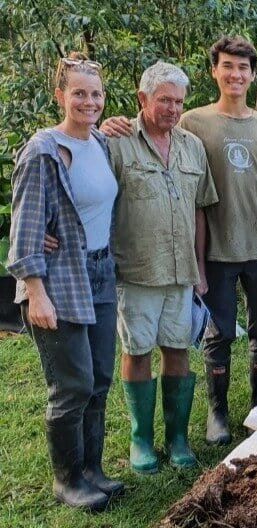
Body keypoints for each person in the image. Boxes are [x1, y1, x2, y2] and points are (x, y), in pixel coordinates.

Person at [102, 36, 257, 445]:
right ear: (214, 71)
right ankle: (216, 412)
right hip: (216, 249)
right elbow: (155, 136)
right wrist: (114, 123)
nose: (236, 74)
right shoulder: (192, 121)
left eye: (243, 68)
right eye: (228, 66)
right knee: (217, 332)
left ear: (253, 75)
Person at [6, 53, 121, 510]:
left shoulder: (100, 143)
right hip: (58, 281)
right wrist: (36, 292)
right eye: (79, 93)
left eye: (95, 94)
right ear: (60, 96)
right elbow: (24, 230)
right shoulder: (42, 152)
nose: (88, 102)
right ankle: (68, 480)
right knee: (71, 385)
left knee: (99, 379)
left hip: (101, 273)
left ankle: (93, 470)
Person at [107, 61, 218, 473]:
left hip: (181, 272)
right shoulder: (116, 143)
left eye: (178, 101)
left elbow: (200, 211)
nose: (172, 109)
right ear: (143, 99)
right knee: (136, 350)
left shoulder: (191, 146)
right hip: (135, 269)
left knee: (178, 349)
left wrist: (200, 268)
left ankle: (177, 438)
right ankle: (141, 440)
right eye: (164, 100)